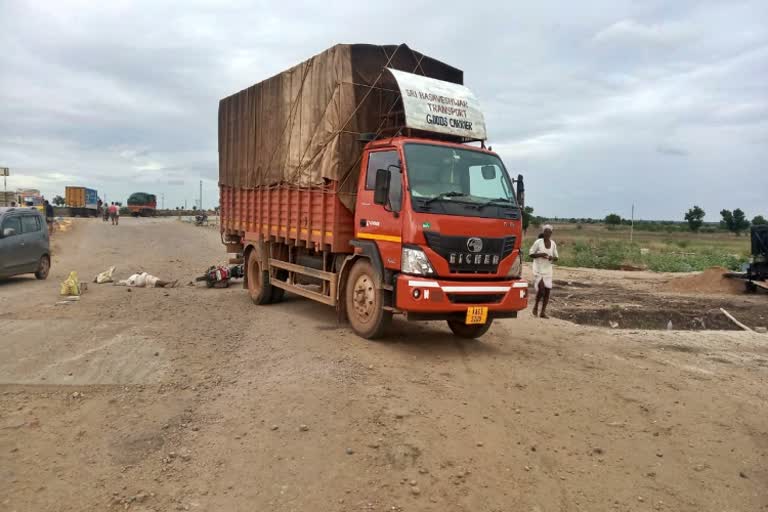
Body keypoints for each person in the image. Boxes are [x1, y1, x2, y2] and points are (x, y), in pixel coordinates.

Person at [529, 224, 558, 318]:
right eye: (545, 232)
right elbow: (531, 254)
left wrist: (551, 257)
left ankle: (543, 312)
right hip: (538, 269)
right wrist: (540, 254)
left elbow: (556, 257)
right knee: (541, 290)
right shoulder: (538, 242)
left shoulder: (553, 244)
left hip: (548, 270)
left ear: (551, 233)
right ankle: (535, 307)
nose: (547, 234)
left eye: (549, 232)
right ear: (543, 232)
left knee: (547, 291)